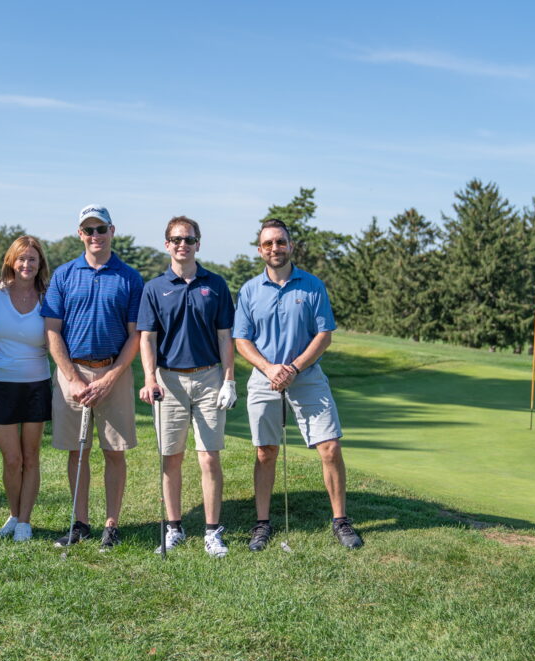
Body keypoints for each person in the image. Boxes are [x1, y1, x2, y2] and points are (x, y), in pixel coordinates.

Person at [233, 219, 364, 550]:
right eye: (268, 244)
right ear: (260, 249)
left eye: (280, 242)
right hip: (265, 378)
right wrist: (269, 367)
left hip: (306, 376)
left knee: (330, 447)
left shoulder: (312, 285)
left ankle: (340, 521)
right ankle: (262, 523)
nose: (274, 248)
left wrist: (292, 367)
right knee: (265, 451)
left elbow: (324, 335)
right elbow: (242, 340)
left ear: (291, 246)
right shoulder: (249, 290)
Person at [42, 204, 143, 552]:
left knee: (114, 451)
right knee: (77, 451)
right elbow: (52, 331)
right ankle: (80, 521)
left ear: (112, 231)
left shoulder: (130, 277)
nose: (95, 236)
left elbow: (136, 336)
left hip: (114, 371)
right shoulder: (64, 274)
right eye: (89, 230)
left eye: (101, 229)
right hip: (73, 372)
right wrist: (71, 378)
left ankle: (111, 525)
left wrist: (111, 377)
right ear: (80, 234)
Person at [137, 216, 237, 558]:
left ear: (198, 243)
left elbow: (225, 336)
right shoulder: (154, 288)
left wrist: (230, 379)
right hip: (169, 381)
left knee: (209, 457)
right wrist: (149, 378)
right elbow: (147, 338)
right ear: (167, 244)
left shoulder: (216, 284)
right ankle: (174, 528)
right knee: (171, 457)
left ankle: (212, 532)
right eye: (177, 239)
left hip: (209, 378)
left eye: (189, 239)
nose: (183, 244)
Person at [0, 236, 52, 543]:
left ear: (40, 264)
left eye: (32, 259)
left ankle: (25, 521)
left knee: (30, 455)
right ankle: (13, 514)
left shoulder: (48, 295)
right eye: (21, 258)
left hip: (36, 382)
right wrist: (4, 343)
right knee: (11, 459)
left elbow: (56, 335)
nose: (27, 264)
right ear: (11, 261)